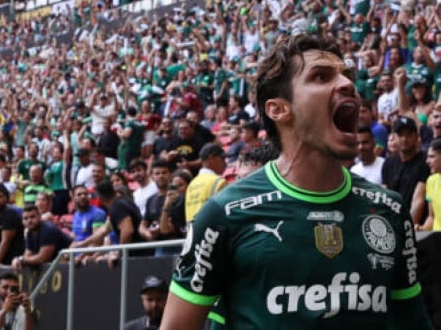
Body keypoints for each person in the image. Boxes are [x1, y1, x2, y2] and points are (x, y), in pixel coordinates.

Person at [161, 34, 433, 329]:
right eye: (321, 76)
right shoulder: (224, 215)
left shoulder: (389, 210)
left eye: (346, 74)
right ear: (278, 109)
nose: (347, 84)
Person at [381, 116, 429, 225]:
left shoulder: (425, 162)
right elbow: (384, 196)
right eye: (400, 134)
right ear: (393, 137)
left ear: (416, 136)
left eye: (409, 134)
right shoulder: (389, 163)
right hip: (392, 222)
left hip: (416, 226)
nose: (404, 139)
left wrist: (407, 229)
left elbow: (418, 201)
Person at [11, 205, 72, 270]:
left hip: (69, 262)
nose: (29, 221)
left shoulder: (48, 229)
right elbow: (28, 255)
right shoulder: (30, 232)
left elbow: (42, 258)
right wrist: (18, 260)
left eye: (32, 217)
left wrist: (21, 259)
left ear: (39, 216)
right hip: (55, 265)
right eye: (25, 218)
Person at [183, 143, 228, 223]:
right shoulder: (218, 181)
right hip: (212, 231)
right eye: (222, 158)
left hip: (193, 232)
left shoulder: (192, 183)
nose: (225, 163)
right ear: (212, 158)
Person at [417, 138, 441, 232]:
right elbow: (431, 217)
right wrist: (422, 229)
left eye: (432, 156)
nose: (427, 161)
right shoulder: (431, 181)